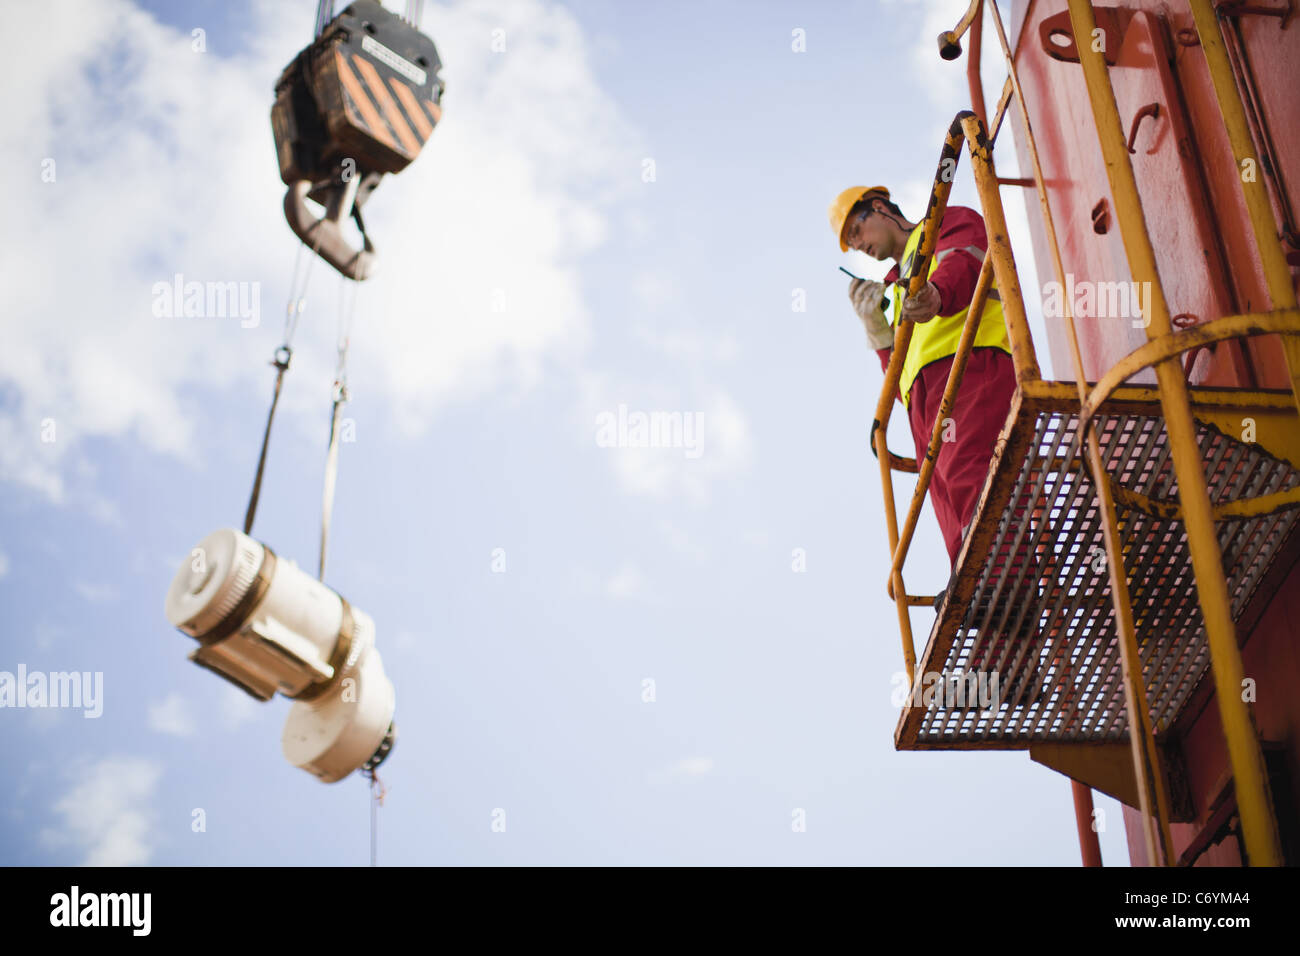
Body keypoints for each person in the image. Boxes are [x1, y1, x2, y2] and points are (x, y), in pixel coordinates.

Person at [829, 185, 1018, 579]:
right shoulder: (896, 287)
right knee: (946, 495)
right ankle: (976, 582)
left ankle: (1001, 571)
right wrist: (879, 334)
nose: (857, 244)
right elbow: (903, 378)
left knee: (971, 469)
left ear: (879, 208)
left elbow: (965, 262)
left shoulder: (945, 223)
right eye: (849, 242)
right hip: (927, 400)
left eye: (857, 231)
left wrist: (936, 293)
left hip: (970, 366)